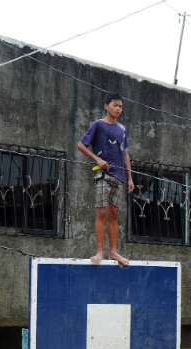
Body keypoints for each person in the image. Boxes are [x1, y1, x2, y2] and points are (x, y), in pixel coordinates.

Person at [77, 92, 135, 267]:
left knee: (114, 214)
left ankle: (113, 252)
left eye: (120, 106)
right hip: (103, 175)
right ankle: (100, 251)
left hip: (119, 177)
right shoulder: (98, 125)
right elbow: (81, 145)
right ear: (106, 106)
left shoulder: (122, 129)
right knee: (102, 212)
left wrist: (130, 177)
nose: (118, 108)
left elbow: (125, 153)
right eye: (115, 105)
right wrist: (97, 159)